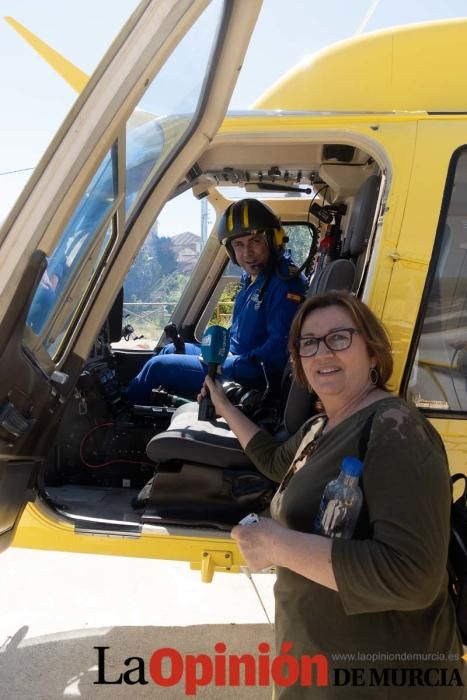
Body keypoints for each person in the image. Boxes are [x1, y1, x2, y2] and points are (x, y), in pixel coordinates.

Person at [200, 290, 463, 699]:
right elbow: (274, 461)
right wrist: (223, 404)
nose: (323, 352)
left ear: (373, 353)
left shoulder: (395, 429)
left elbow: (413, 577)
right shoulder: (318, 429)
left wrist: (276, 543)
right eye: (309, 343)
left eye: (340, 338)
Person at [127, 199, 307, 403]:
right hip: (233, 357)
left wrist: (229, 364)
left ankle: (118, 425)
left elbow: (277, 351)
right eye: (239, 244)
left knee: (156, 367)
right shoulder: (253, 277)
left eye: (255, 241)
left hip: (249, 375)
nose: (247, 254)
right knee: (171, 349)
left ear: (273, 240)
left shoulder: (285, 283)